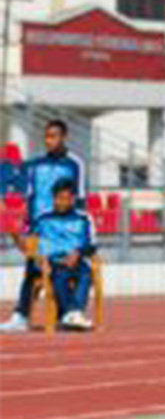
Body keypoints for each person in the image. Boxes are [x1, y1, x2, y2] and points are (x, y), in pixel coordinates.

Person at [1, 120, 88, 333]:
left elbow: (81, 201)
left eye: (54, 136)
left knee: (62, 271)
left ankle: (66, 313)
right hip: (38, 227)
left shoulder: (75, 165)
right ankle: (22, 316)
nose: (49, 141)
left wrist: (76, 238)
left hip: (63, 230)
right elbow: (23, 193)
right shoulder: (34, 165)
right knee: (32, 271)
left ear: (64, 136)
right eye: (47, 136)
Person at [14, 180, 96, 330]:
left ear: (73, 199)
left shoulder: (83, 218)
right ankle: (70, 313)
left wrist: (78, 253)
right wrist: (18, 238)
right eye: (59, 198)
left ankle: (73, 313)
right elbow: (28, 240)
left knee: (86, 272)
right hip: (50, 261)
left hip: (76, 260)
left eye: (66, 198)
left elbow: (92, 245)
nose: (62, 202)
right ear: (53, 198)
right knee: (59, 275)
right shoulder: (42, 218)